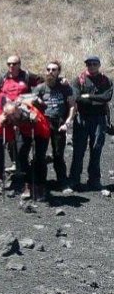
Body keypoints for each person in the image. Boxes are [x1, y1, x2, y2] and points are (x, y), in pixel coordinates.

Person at [67, 56, 113, 195]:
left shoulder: (106, 80)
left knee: (96, 149)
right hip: (82, 118)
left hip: (99, 119)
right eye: (89, 64)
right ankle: (74, 180)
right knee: (78, 150)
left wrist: (89, 97)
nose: (91, 66)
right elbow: (77, 97)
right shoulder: (78, 80)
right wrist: (93, 99)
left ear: (99, 65)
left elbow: (107, 97)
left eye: (94, 64)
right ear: (86, 65)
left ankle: (94, 181)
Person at [32, 61, 75, 190]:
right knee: (40, 154)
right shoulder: (40, 88)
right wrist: (35, 104)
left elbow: (72, 106)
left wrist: (68, 122)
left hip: (59, 123)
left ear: (58, 72)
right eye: (48, 69)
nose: (50, 72)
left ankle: (62, 182)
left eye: (54, 69)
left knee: (58, 154)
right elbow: (29, 102)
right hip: (43, 124)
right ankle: (41, 183)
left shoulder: (65, 87)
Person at [2, 101, 51, 201]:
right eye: (9, 115)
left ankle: (41, 186)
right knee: (20, 156)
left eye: (13, 114)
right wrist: (4, 125)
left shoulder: (28, 112)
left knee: (39, 158)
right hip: (24, 131)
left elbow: (38, 121)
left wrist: (34, 120)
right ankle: (28, 184)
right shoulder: (7, 115)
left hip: (40, 131)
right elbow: (6, 127)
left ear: (18, 110)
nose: (12, 117)